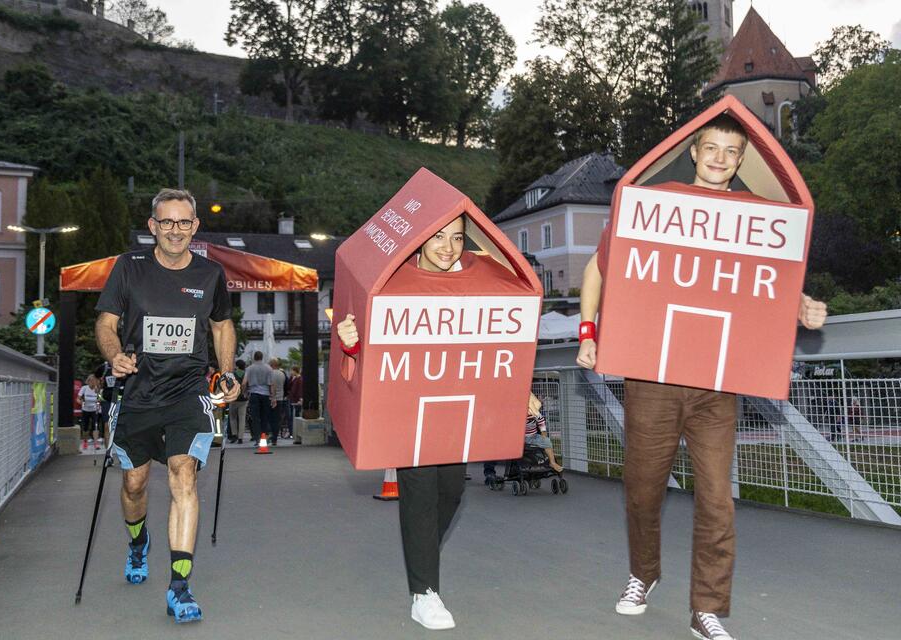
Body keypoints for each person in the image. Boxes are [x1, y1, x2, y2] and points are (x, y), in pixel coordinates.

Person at [575, 114, 828, 640]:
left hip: (717, 382)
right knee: (643, 489)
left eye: (730, 151)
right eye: (710, 147)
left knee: (717, 497)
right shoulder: (657, 203)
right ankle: (643, 575)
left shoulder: (758, 217)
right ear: (693, 151)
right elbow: (600, 268)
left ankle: (707, 607)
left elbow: (773, 285)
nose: (718, 158)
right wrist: (587, 332)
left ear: (741, 161)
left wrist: (803, 307)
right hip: (654, 376)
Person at [336, 216, 541, 631]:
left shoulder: (479, 282)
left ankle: (422, 558)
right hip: (409, 411)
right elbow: (373, 351)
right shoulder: (392, 283)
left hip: (453, 412)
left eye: (457, 238)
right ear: (418, 240)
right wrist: (351, 340)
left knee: (450, 492)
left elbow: (498, 341)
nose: (448, 247)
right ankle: (424, 593)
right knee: (418, 492)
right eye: (438, 237)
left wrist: (521, 387)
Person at [94, 188, 240, 624]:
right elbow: (105, 323)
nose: (175, 230)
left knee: (183, 477)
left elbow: (222, 325)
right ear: (153, 227)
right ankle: (138, 543)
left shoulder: (211, 274)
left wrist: (227, 373)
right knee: (134, 484)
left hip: (187, 392)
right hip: (137, 392)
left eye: (184, 222)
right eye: (167, 222)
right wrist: (113, 355)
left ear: (194, 227)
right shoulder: (129, 268)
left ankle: (180, 585)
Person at [244, 351, 272, 445]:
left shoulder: (249, 368)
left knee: (255, 417)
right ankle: (265, 436)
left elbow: (244, 382)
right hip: (265, 394)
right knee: (265, 416)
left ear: (254, 358)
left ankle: (257, 438)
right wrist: (273, 396)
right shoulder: (268, 368)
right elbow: (271, 384)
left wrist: (245, 392)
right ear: (262, 357)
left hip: (254, 393)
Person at [226, 359, 248, 444]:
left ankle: (234, 435)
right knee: (242, 418)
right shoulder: (246, 374)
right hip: (243, 399)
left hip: (234, 398)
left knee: (233, 417)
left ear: (237, 366)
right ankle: (240, 437)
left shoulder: (232, 375)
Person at [78, 374, 101, 451]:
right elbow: (78, 399)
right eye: (91, 381)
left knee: (95, 426)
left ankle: (96, 443)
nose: (92, 383)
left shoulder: (97, 389)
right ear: (88, 381)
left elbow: (100, 399)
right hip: (85, 410)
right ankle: (85, 441)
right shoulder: (84, 388)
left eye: (94, 381)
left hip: (94, 410)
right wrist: (82, 403)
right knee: (85, 427)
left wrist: (98, 402)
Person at [267, 358, 287, 444]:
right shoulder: (282, 374)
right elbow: (286, 386)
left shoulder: (269, 373)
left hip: (270, 398)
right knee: (277, 419)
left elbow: (269, 386)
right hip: (280, 399)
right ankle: (275, 438)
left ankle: (269, 435)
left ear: (271, 365)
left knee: (268, 418)